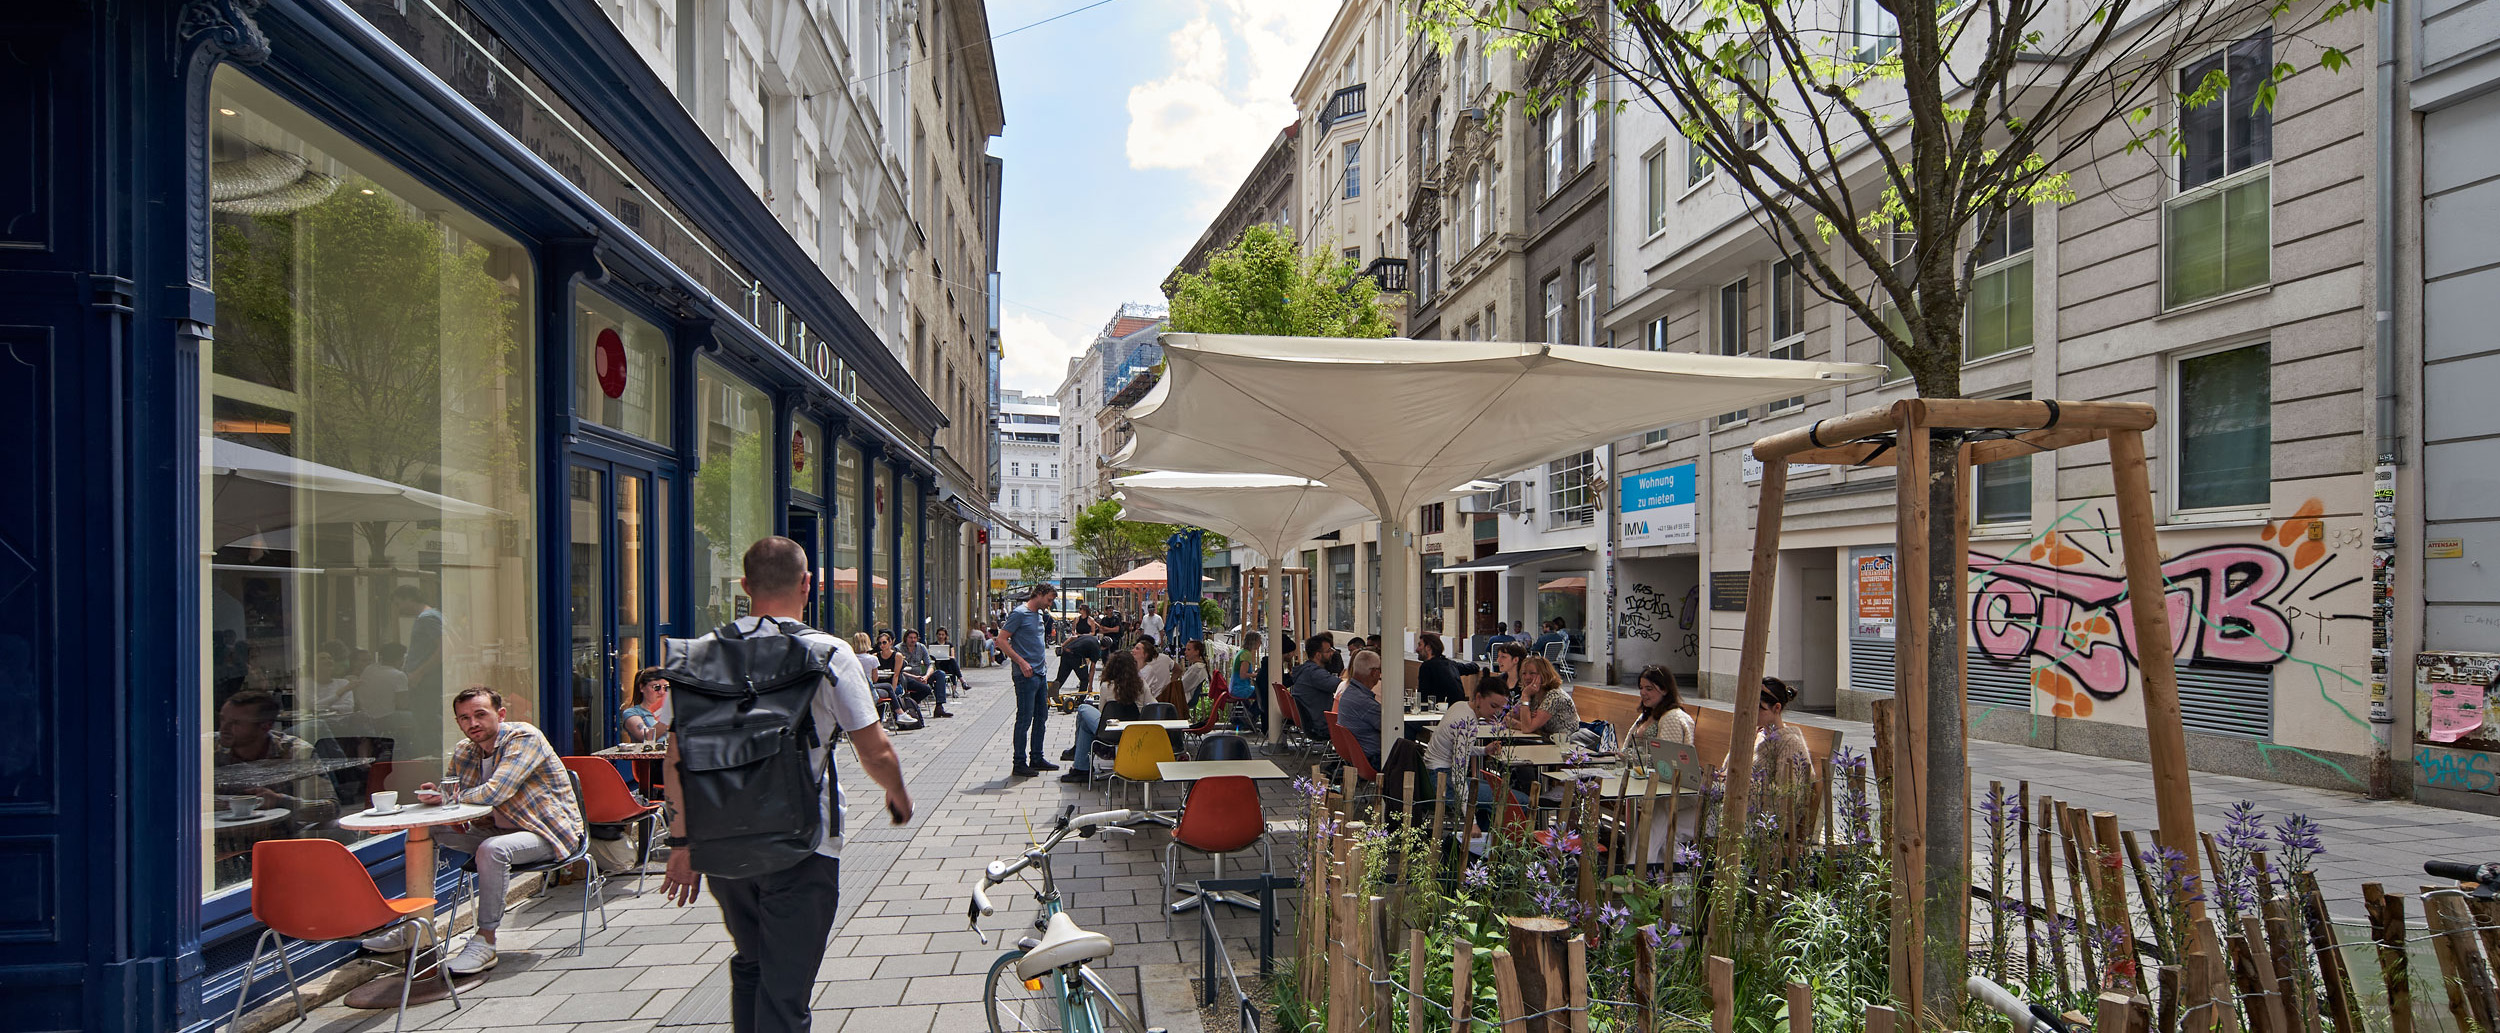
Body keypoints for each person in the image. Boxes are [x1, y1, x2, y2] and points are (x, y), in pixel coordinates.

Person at [656, 537, 912, 1033]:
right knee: (786, 992)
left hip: (721, 840)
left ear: (746, 586)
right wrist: (897, 794)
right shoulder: (828, 653)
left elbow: (676, 758)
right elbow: (875, 748)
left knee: (751, 964)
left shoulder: (700, 655)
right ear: (808, 585)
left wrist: (682, 841)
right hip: (804, 842)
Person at [365, 686, 584, 977]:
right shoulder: (464, 751)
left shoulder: (524, 737)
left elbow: (495, 792)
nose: (472, 723)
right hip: (492, 828)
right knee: (424, 830)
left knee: (493, 849)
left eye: (480, 714)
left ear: (500, 714)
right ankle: (414, 927)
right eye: (464, 718)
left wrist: (450, 797)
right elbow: (455, 795)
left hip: (547, 832)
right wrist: (438, 794)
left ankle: (486, 942)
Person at [213, 690, 337, 815]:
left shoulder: (295, 752)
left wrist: (280, 801)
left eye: (236, 723)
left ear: (265, 726)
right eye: (222, 719)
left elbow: (330, 809)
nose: (224, 728)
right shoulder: (205, 749)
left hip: (279, 832)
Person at [1063, 650, 1151, 783]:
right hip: (1134, 733)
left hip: (1110, 734)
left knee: (1083, 710)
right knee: (1085, 723)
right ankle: (1079, 764)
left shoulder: (1106, 686)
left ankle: (1081, 765)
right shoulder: (1141, 685)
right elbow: (1151, 705)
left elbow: (1103, 712)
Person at [1000, 585, 1060, 777]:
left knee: (1041, 716)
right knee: (1024, 718)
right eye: (1049, 600)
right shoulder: (1019, 613)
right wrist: (1021, 662)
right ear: (1039, 595)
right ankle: (1019, 762)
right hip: (1025, 675)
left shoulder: (1038, 615)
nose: (1050, 604)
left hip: (1040, 673)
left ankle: (1036, 757)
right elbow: (1001, 640)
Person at [1423, 679, 1513, 795]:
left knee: (1497, 788)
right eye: (1494, 706)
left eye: (1502, 708)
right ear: (1479, 698)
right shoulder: (1468, 723)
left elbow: (1459, 749)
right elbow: (1458, 777)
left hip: (1431, 775)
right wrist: (1467, 811)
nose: (1498, 713)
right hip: (1442, 781)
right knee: (1513, 797)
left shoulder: (1459, 706)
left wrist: (1484, 750)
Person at [1504, 655, 1578, 744]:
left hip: (1565, 746)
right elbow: (1507, 718)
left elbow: (1527, 728)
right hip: (1544, 742)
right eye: (1524, 673)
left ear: (1544, 674)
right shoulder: (1532, 693)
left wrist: (1525, 698)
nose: (1527, 677)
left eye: (1532, 673)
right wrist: (1526, 722)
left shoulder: (1555, 696)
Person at [1287, 634, 1340, 739]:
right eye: (1328, 651)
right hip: (1321, 725)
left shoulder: (1306, 670)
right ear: (1318, 655)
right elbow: (1339, 686)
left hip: (1312, 721)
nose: (1332, 653)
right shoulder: (1314, 673)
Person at [1336, 650, 1385, 762]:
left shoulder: (1349, 693)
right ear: (1373, 672)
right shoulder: (1364, 702)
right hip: (1374, 759)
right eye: (1380, 670)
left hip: (1356, 756)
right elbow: (1392, 727)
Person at [899, 630, 951, 718]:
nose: (913, 640)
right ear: (906, 638)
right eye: (910, 638)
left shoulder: (921, 647)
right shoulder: (899, 648)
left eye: (915, 638)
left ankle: (939, 707)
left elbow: (930, 664)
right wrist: (915, 677)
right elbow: (899, 670)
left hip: (920, 676)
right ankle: (911, 703)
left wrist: (926, 676)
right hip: (907, 677)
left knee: (940, 674)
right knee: (926, 689)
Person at [1415, 632, 1473, 707]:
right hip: (1457, 708)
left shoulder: (1426, 667)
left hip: (1438, 710)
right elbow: (1472, 667)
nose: (1417, 649)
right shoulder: (1450, 664)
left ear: (1428, 647)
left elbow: (1423, 696)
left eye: (1420, 645)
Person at [1227, 631, 1266, 729]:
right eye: (1259, 641)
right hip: (1241, 689)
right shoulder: (1246, 654)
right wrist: (1257, 674)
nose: (1260, 644)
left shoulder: (1242, 652)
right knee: (1264, 694)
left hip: (1236, 687)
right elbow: (1243, 675)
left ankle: (1251, 717)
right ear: (1254, 642)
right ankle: (1251, 714)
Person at [1051, 626, 1106, 696]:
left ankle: (1048, 696)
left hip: (1066, 652)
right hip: (1075, 656)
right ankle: (1080, 700)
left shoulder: (1091, 637)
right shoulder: (1097, 650)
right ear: (1105, 647)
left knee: (1060, 678)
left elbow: (1072, 637)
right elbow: (1092, 668)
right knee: (1084, 679)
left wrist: (1062, 646)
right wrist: (1090, 686)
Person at [623, 667, 669, 742]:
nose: (662, 692)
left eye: (666, 688)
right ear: (642, 687)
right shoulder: (632, 713)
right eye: (656, 687)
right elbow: (646, 737)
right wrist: (667, 718)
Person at [1135, 636, 1178, 710]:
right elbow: (1178, 670)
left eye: (1137, 648)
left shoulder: (1145, 667)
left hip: (1149, 702)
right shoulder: (1164, 658)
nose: (1133, 651)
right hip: (1164, 697)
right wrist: (1170, 685)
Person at [1178, 639, 1211, 716]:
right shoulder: (1198, 667)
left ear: (1197, 652)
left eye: (1188, 650)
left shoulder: (1197, 668)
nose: (1185, 652)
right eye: (1185, 649)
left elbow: (1183, 686)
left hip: (1185, 698)